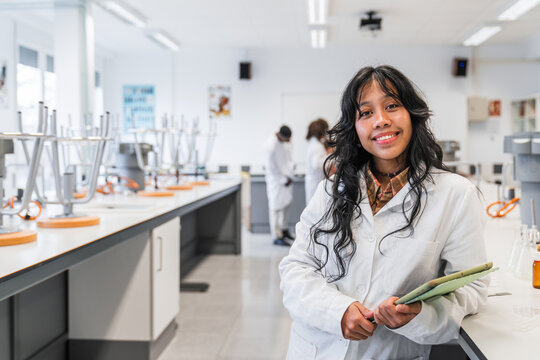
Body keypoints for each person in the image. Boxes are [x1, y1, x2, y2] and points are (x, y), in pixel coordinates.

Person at [279, 65, 488, 359]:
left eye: (392, 105)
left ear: (413, 114)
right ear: (355, 127)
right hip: (317, 348)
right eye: (365, 113)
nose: (381, 120)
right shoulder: (331, 191)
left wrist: (420, 315)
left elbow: (472, 290)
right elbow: (295, 268)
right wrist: (338, 312)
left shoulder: (455, 194)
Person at [264, 125, 296, 246]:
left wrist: (290, 175)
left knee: (286, 206)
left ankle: (284, 230)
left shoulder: (283, 143)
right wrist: (283, 180)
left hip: (286, 180)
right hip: (276, 182)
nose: (289, 141)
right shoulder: (270, 146)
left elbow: (287, 160)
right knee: (275, 208)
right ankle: (277, 235)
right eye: (287, 139)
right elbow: (271, 169)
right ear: (281, 136)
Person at [305, 118, 330, 204]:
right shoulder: (317, 146)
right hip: (316, 182)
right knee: (316, 206)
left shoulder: (314, 144)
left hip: (314, 181)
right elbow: (317, 164)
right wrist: (330, 157)